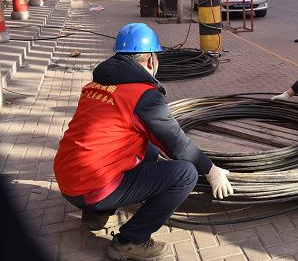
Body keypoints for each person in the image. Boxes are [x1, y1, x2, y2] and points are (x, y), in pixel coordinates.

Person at [53, 23, 233, 260]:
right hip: (93, 187)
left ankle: (95, 214)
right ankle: (131, 240)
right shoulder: (143, 96)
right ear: (150, 60)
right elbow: (178, 145)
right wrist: (211, 171)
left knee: (146, 146)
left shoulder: (96, 85)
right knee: (185, 173)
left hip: (68, 180)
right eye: (156, 57)